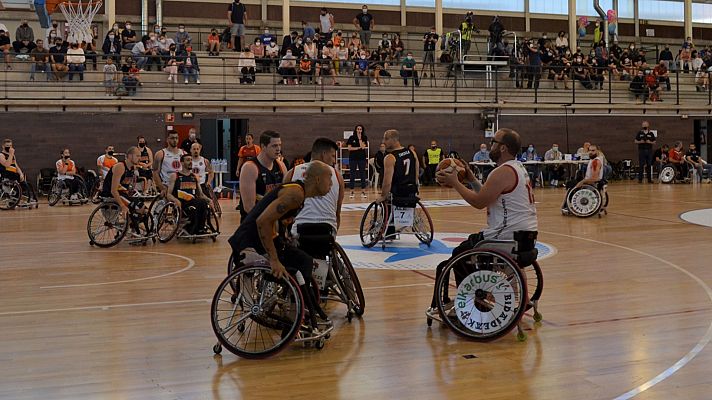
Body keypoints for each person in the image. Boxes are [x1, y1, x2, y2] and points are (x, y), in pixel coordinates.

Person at [427, 128, 537, 317]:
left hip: (505, 236)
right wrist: (470, 179)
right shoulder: (517, 167)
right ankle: (523, 299)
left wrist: (455, 183)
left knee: (460, 254)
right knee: (478, 245)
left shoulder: (502, 172)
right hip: (526, 235)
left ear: (502, 148)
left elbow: (479, 202)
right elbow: (487, 195)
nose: (490, 145)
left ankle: (469, 304)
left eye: (494, 142)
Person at [228, 161, 334, 328]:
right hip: (250, 242)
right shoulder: (295, 194)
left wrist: (283, 237)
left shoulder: (299, 193)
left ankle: (297, 312)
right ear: (319, 180)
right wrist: (274, 259)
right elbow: (262, 222)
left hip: (257, 239)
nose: (332, 185)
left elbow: (274, 220)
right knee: (300, 263)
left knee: (304, 260)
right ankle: (296, 314)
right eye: (330, 180)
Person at [285, 138, 344, 241]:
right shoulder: (337, 176)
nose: (334, 161)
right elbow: (337, 214)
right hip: (328, 230)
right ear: (324, 154)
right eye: (333, 156)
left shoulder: (292, 172)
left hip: (299, 231)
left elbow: (284, 211)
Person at [237, 130, 287, 219]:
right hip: (254, 223)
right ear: (263, 146)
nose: (278, 149)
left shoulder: (281, 166)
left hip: (275, 220)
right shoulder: (250, 168)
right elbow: (249, 207)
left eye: (279, 145)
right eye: (274, 146)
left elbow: (286, 197)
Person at [166, 154, 212, 235]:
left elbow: (200, 194)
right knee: (200, 203)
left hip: (193, 202)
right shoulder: (175, 176)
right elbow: (168, 194)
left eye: (191, 160)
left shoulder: (194, 176)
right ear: (182, 163)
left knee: (203, 203)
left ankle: (200, 228)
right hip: (182, 204)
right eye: (188, 160)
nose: (190, 162)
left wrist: (209, 200)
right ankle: (194, 228)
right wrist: (175, 200)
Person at [561, 144, 605, 213]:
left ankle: (567, 206)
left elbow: (595, 178)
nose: (590, 152)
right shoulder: (593, 159)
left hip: (592, 184)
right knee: (571, 182)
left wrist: (582, 182)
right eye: (589, 150)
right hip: (589, 182)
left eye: (593, 150)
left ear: (597, 151)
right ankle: (566, 204)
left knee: (572, 184)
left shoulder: (596, 162)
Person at [101, 146, 144, 217]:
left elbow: (128, 186)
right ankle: (132, 225)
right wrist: (123, 206)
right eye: (137, 156)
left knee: (144, 210)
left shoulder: (132, 168)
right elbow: (113, 190)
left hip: (122, 194)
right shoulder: (120, 167)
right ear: (130, 156)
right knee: (139, 207)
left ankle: (133, 225)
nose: (140, 158)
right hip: (110, 194)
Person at [379, 129, 419, 203]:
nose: (383, 142)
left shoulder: (390, 157)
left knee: (384, 202)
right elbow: (416, 174)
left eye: (386, 139)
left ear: (394, 140)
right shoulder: (412, 153)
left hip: (397, 194)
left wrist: (383, 196)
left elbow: (387, 182)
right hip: (411, 192)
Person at [0, 139, 37, 204]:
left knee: (28, 183)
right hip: (6, 175)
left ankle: (31, 198)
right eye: (7, 146)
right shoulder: (1, 155)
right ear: (3, 146)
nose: (9, 147)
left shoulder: (12, 156)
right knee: (19, 179)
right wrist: (11, 154)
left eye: (10, 146)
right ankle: (24, 198)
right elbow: (7, 165)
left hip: (14, 175)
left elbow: (16, 166)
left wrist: (21, 174)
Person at [152, 130, 186, 194]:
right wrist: (162, 188)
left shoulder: (184, 153)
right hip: (167, 185)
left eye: (176, 138)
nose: (175, 140)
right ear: (167, 139)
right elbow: (155, 173)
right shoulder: (160, 154)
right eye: (172, 138)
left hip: (181, 187)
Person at [346, 124, 369, 199]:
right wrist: (357, 148)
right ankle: (352, 191)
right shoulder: (351, 137)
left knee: (362, 173)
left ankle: (363, 191)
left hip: (362, 158)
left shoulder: (364, 137)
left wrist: (359, 140)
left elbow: (363, 147)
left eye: (360, 129)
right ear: (356, 130)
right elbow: (349, 148)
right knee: (352, 174)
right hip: (353, 158)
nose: (359, 130)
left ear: (362, 130)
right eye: (358, 129)